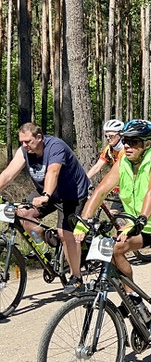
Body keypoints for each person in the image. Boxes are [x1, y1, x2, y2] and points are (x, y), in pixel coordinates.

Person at [74, 120, 151, 362]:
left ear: (147, 144)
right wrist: (84, 220)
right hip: (142, 225)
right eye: (125, 141)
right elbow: (101, 191)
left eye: (133, 142)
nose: (127, 146)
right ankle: (135, 300)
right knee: (114, 249)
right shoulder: (122, 163)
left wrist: (140, 220)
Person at [0, 123, 90, 293]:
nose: (24, 145)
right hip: (46, 193)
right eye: (22, 142)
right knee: (22, 214)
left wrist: (46, 196)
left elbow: (53, 172)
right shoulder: (24, 151)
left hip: (72, 194)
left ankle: (77, 278)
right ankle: (45, 248)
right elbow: (8, 175)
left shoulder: (55, 147)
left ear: (39, 137)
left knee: (66, 234)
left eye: (28, 141)